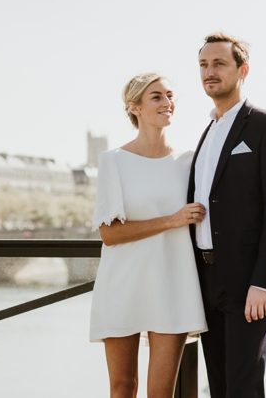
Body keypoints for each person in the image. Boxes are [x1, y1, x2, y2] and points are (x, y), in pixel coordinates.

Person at [188, 33, 266, 398]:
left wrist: (264, 282)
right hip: (205, 275)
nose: (209, 72)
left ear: (243, 70)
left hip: (247, 281)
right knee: (220, 384)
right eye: (203, 65)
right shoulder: (207, 132)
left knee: (244, 386)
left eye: (219, 64)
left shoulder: (265, 125)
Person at [90, 73, 208, 398]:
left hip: (173, 283)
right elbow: (109, 235)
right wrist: (172, 220)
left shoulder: (188, 161)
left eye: (170, 96)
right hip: (123, 284)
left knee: (161, 393)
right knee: (122, 387)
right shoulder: (113, 161)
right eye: (156, 97)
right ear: (134, 107)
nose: (167, 103)